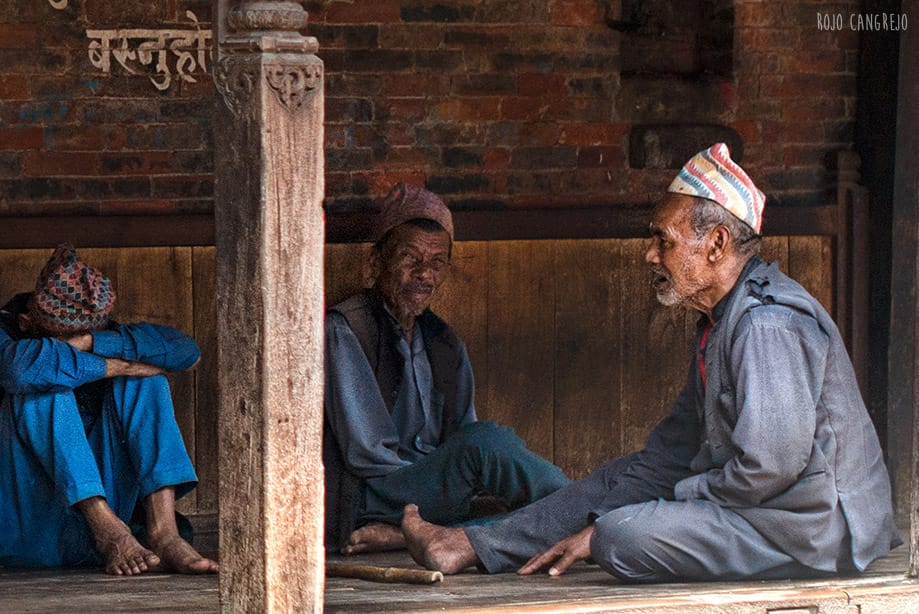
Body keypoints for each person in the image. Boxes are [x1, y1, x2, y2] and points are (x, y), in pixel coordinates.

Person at [401, 143, 901, 582]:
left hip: (814, 529)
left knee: (619, 534)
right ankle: (467, 546)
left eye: (664, 240)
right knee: (619, 480)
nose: (649, 255)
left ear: (717, 245)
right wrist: (631, 490)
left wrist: (663, 502)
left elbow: (770, 470)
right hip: (764, 510)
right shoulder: (718, 322)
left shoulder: (765, 325)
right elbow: (671, 454)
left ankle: (506, 540)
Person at [324, 182, 571, 554]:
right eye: (410, 258)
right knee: (486, 446)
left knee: (523, 502)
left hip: (430, 490)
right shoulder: (347, 328)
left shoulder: (443, 340)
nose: (424, 274)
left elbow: (460, 433)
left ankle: (407, 533)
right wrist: (448, 482)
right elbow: (367, 454)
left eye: (437, 263)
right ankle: (580, 506)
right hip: (372, 493)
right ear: (377, 263)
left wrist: (454, 482)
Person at [0, 243, 218, 576]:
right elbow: (20, 370)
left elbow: (186, 352)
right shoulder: (9, 332)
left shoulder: (98, 333)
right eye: (65, 341)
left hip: (118, 515)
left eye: (86, 335)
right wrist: (118, 366)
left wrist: (90, 345)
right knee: (45, 386)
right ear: (28, 323)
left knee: (146, 382)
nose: (81, 343)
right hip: (31, 521)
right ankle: (107, 529)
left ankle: (164, 532)